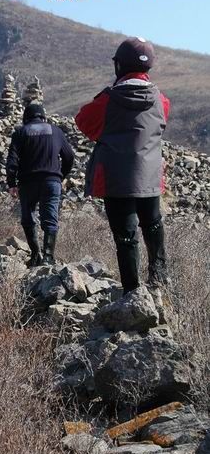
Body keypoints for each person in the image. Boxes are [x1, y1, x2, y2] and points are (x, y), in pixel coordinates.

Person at [75, 37, 171, 295]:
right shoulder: (162, 101)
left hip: (116, 181)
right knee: (153, 224)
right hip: (150, 178)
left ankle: (132, 293)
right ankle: (160, 280)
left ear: (119, 65)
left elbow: (83, 122)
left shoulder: (108, 101)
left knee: (126, 237)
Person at [6, 103, 74, 266]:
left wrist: (11, 183)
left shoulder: (20, 132)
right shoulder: (56, 131)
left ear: (26, 118)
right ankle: (48, 257)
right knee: (50, 218)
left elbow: (12, 161)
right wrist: (60, 176)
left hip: (27, 182)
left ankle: (36, 254)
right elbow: (69, 157)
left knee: (28, 218)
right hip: (51, 181)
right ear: (43, 117)